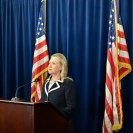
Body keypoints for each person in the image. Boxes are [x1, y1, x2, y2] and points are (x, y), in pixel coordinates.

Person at [40, 53, 76, 118]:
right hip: (44, 120)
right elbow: (42, 100)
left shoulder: (67, 83)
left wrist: (55, 115)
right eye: (49, 63)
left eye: (53, 63)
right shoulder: (46, 81)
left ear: (61, 67)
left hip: (60, 122)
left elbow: (71, 107)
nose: (49, 66)